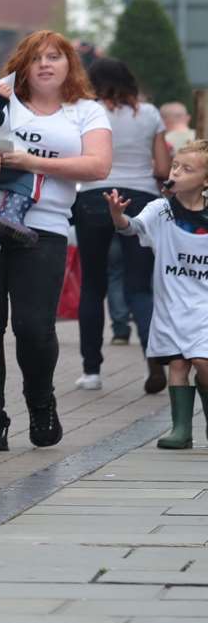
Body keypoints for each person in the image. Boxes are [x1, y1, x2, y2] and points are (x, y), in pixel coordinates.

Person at [0, 31, 111, 452]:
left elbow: (98, 166)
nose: (45, 64)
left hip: (44, 228)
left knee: (33, 327)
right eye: (36, 58)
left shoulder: (86, 111)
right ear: (21, 65)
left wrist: (29, 161)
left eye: (55, 57)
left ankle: (41, 402)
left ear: (70, 65)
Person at [74, 57, 168, 396]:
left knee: (93, 286)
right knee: (140, 287)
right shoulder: (150, 114)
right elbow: (161, 165)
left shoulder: (85, 111)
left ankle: (91, 371)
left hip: (94, 197)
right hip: (141, 197)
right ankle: (154, 359)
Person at [109, 141, 208, 449]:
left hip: (204, 303)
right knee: (178, 364)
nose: (176, 172)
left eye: (187, 169)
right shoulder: (160, 209)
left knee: (203, 362)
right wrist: (117, 215)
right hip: (171, 302)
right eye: (175, 166)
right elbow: (132, 227)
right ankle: (181, 429)